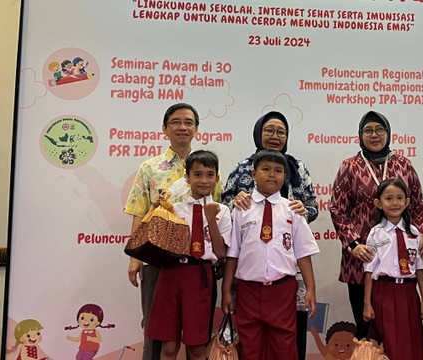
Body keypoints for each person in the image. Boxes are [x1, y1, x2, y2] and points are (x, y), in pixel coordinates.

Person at [124, 103, 222, 360]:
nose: (182, 127)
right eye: (176, 122)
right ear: (165, 129)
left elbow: (217, 214)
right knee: (157, 335)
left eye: (189, 122)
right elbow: (139, 211)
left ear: (196, 129)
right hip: (159, 261)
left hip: (198, 265)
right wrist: (136, 258)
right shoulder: (150, 167)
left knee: (197, 336)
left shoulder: (210, 168)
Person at [221, 110, 317, 358]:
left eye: (281, 131)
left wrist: (310, 289)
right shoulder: (241, 207)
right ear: (253, 174)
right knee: (250, 346)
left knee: (284, 344)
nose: (272, 174)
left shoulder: (292, 207)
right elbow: (232, 251)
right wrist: (226, 290)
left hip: (282, 287)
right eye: (265, 169)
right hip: (248, 288)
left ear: (285, 176)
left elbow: (304, 252)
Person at [330, 110, 423, 339]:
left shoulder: (403, 164)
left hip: (400, 259)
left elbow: (419, 205)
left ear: (388, 133)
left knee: (401, 327)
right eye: (368, 130)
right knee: (367, 326)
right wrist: (353, 244)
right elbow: (337, 209)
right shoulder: (350, 166)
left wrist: (422, 234)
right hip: (361, 258)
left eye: (379, 129)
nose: (374, 135)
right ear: (360, 135)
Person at [145, 150, 231, 360]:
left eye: (209, 175)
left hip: (200, 277)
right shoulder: (174, 209)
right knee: (169, 346)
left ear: (217, 178)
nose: (203, 180)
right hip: (171, 274)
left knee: (196, 347)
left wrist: (211, 219)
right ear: (187, 177)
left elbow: (221, 253)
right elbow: (156, 245)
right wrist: (157, 213)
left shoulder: (223, 211)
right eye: (197, 174)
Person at [362, 179, 423, 360]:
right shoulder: (376, 233)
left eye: (400, 198)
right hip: (384, 292)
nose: (395, 203)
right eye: (389, 198)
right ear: (378, 203)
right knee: (390, 340)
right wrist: (367, 304)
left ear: (407, 202)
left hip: (408, 291)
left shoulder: (414, 232)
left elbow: (419, 268)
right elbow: (368, 270)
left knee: (413, 338)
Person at [222, 110, 317, 222]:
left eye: (281, 132)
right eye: (269, 131)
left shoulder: (298, 168)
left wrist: (303, 211)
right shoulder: (242, 168)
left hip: (289, 234)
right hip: (249, 235)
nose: (275, 137)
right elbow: (223, 208)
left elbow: (312, 209)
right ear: (258, 133)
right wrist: (235, 203)